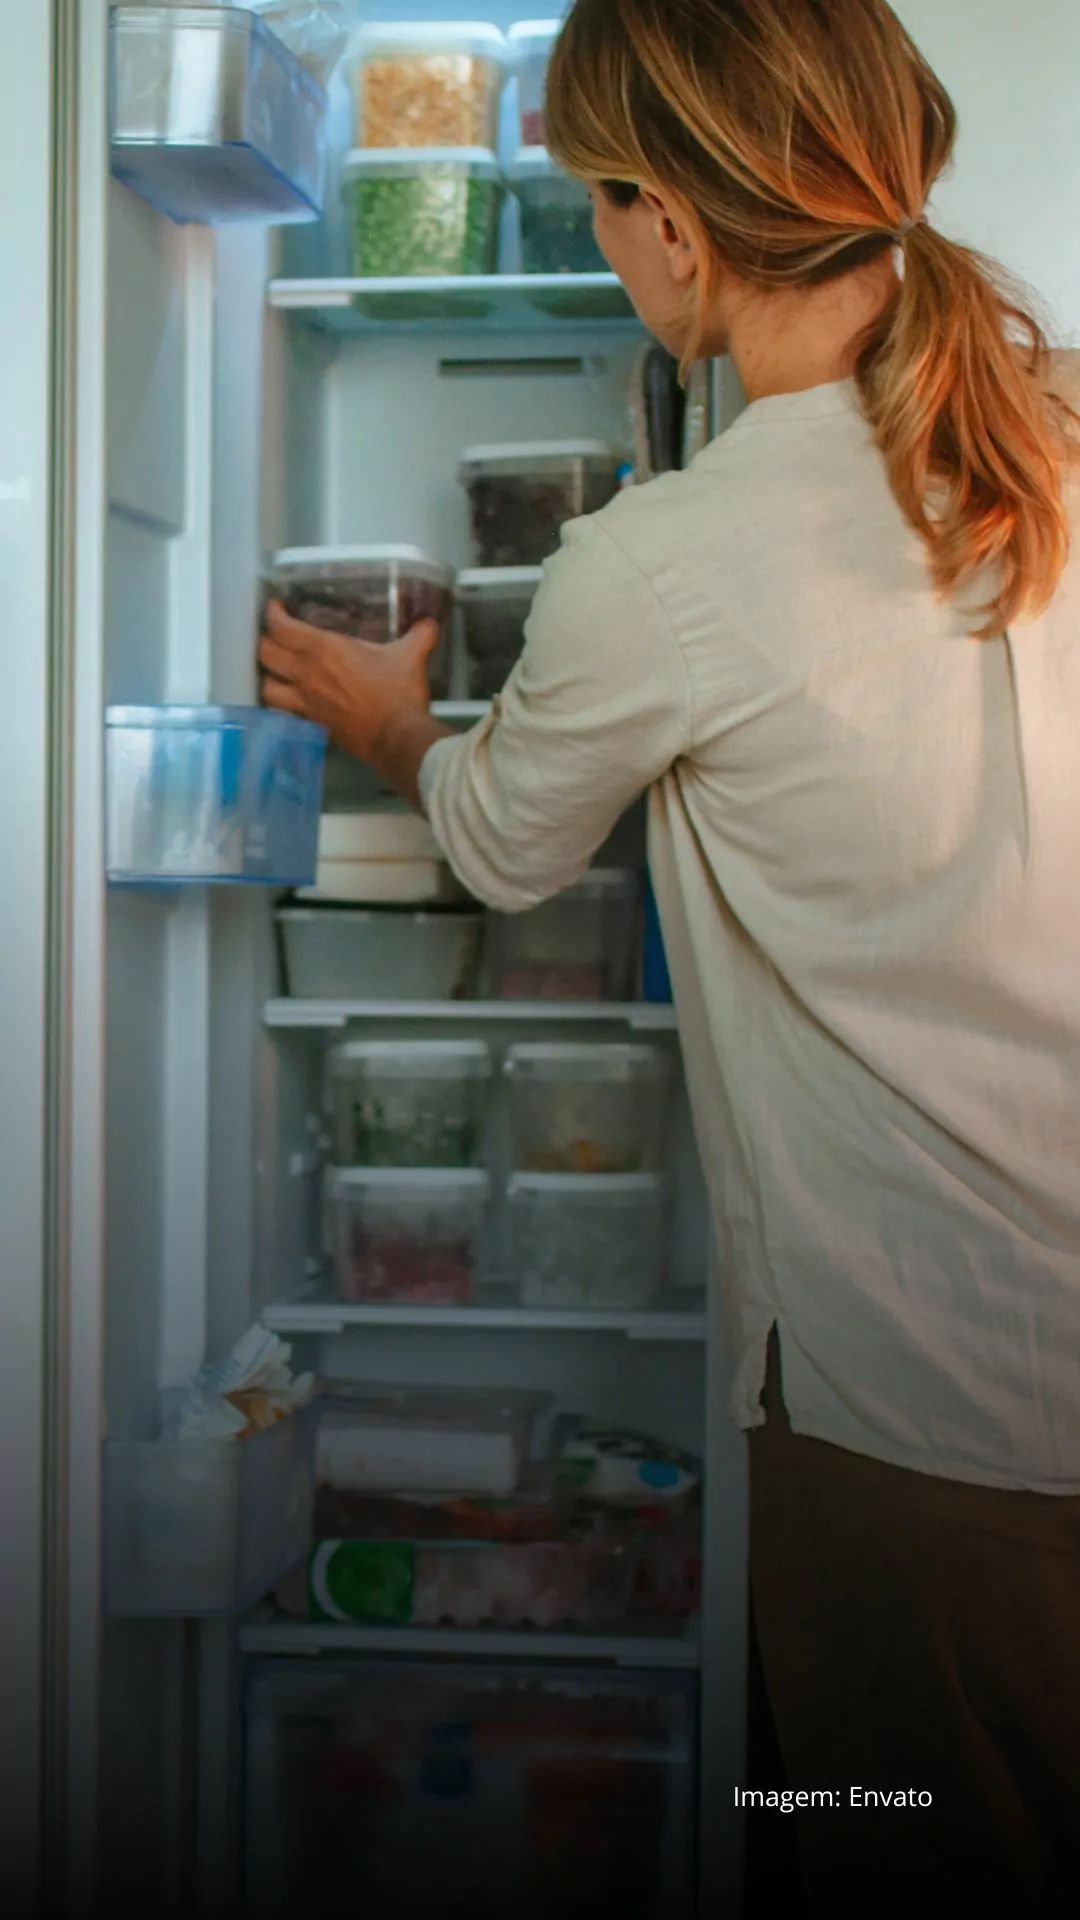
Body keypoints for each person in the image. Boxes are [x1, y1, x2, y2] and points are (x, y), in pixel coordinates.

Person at [260, 1, 1080, 1908]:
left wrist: (392, 719)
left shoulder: (672, 556)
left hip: (922, 1424)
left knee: (867, 1841)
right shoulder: (1044, 438)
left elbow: (491, 841)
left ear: (673, 227)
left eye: (595, 206)